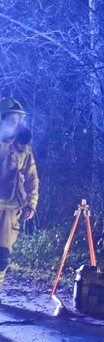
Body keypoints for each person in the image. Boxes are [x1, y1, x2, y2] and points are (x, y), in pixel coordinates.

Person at [0, 99, 38, 297]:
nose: (14, 123)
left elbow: (32, 176)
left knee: (2, 256)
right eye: (11, 119)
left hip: (9, 209)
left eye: (17, 120)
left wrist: (31, 203)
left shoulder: (22, 147)